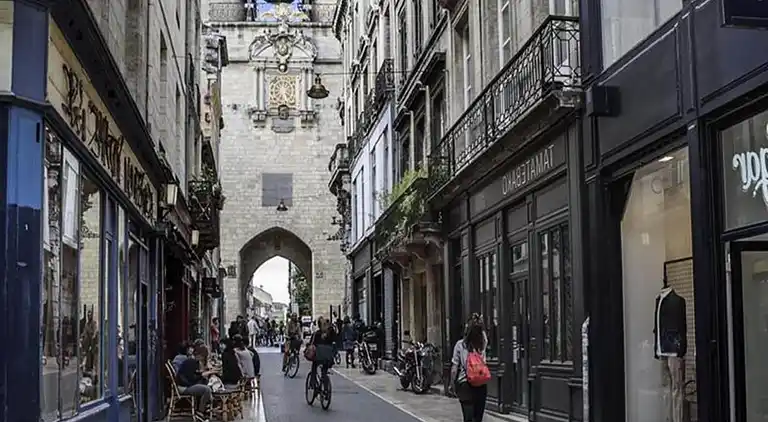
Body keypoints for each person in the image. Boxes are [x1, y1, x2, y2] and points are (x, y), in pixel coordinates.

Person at [450, 314, 489, 422]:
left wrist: (452, 384)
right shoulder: (482, 344)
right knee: (478, 418)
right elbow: (484, 335)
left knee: (468, 418)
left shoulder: (460, 345)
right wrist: (480, 323)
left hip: (465, 385)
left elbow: (454, 368)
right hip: (481, 384)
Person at [176, 347, 215, 422]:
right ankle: (200, 412)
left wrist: (201, 374)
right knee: (207, 389)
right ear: (200, 356)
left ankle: (204, 408)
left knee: (205, 384)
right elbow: (192, 378)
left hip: (187, 385)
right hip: (184, 387)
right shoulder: (191, 362)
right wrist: (202, 375)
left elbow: (192, 375)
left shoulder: (191, 361)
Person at [309, 317, 336, 388]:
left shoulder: (316, 334)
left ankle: (312, 381)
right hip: (328, 358)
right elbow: (334, 341)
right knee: (324, 371)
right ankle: (325, 388)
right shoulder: (331, 333)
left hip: (319, 357)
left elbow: (312, 344)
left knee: (314, 365)